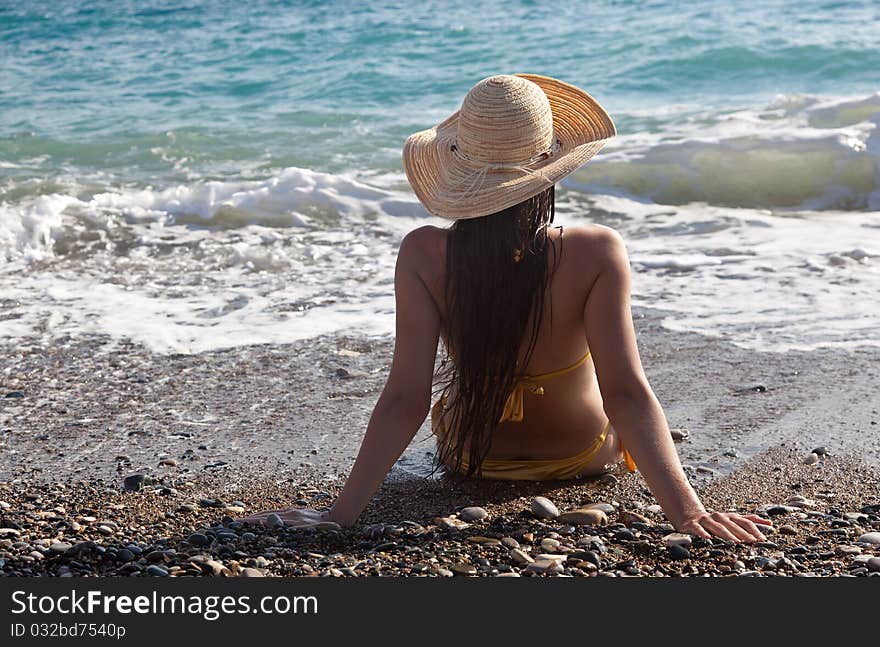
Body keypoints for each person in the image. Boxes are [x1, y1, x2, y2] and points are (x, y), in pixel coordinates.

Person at [243, 74, 770, 543]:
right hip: (579, 456)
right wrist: (688, 511)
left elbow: (406, 397)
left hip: (471, 456)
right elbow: (626, 393)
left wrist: (341, 513)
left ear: (459, 164)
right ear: (549, 163)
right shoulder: (595, 251)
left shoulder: (424, 252)